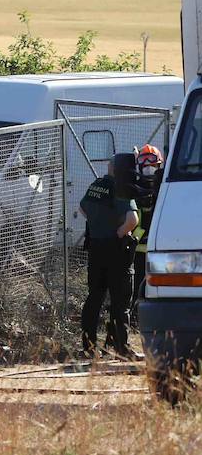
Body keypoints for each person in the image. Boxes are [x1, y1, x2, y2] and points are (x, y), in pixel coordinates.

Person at [80, 152, 140, 357]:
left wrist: (99, 224)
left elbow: (82, 208)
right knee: (120, 301)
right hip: (115, 250)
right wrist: (119, 232)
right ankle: (121, 347)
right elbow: (133, 220)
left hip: (95, 248)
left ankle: (88, 347)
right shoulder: (121, 188)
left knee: (94, 298)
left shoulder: (96, 185)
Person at [131, 144, 164, 319]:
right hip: (139, 250)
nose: (149, 169)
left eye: (153, 165)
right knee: (138, 287)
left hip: (160, 249)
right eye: (145, 165)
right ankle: (136, 318)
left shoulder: (164, 189)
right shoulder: (134, 189)